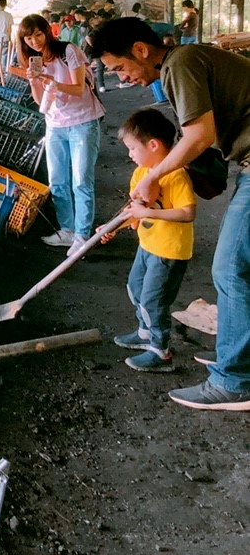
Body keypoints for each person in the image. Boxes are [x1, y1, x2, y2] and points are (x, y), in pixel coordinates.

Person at [93, 17, 250, 410]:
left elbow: (200, 135)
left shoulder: (181, 63)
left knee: (231, 269)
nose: (123, 77)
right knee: (240, 268)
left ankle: (235, 380)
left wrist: (155, 176)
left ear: (141, 50)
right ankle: (239, 356)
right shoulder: (181, 64)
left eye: (121, 67)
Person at [101, 108, 196, 373]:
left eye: (132, 148)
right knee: (136, 288)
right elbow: (133, 209)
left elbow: (188, 212)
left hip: (169, 252)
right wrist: (113, 228)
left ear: (153, 145)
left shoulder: (175, 174)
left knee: (154, 300)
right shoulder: (141, 173)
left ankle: (160, 351)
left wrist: (148, 213)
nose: (129, 154)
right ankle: (144, 333)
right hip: (148, 246)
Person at [15, 14, 105, 257]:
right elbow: (38, 100)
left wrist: (54, 82)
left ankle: (82, 236)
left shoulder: (69, 50)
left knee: (81, 182)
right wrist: (35, 81)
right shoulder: (33, 60)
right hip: (54, 125)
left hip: (83, 122)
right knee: (57, 181)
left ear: (47, 31)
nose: (34, 41)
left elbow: (77, 88)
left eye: (38, 34)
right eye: (28, 37)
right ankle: (67, 229)